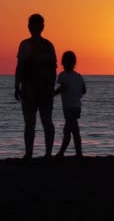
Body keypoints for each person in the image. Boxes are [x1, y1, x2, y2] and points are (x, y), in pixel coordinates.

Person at [14, 14, 57, 159]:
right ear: (42, 27)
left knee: (32, 123)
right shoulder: (47, 45)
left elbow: (20, 67)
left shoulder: (27, 45)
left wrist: (16, 86)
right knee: (44, 122)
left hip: (32, 89)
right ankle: (46, 154)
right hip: (38, 89)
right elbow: (53, 70)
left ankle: (30, 154)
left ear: (29, 27)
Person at [55, 51, 86, 158]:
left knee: (69, 130)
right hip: (76, 106)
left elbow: (62, 88)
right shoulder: (78, 76)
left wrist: (52, 94)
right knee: (72, 129)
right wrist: (77, 95)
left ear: (63, 62)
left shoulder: (63, 75)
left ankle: (63, 153)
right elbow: (84, 90)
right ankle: (76, 153)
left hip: (69, 107)